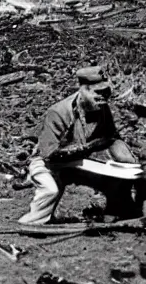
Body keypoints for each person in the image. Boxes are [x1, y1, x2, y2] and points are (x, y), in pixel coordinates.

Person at [18, 66, 139, 225]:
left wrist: (128, 161)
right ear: (83, 91)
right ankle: (30, 223)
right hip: (48, 163)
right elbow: (49, 153)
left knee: (117, 175)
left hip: (78, 163)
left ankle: (120, 211)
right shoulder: (58, 112)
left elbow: (111, 138)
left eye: (105, 92)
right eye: (97, 92)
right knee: (50, 191)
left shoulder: (102, 109)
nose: (102, 97)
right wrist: (89, 148)